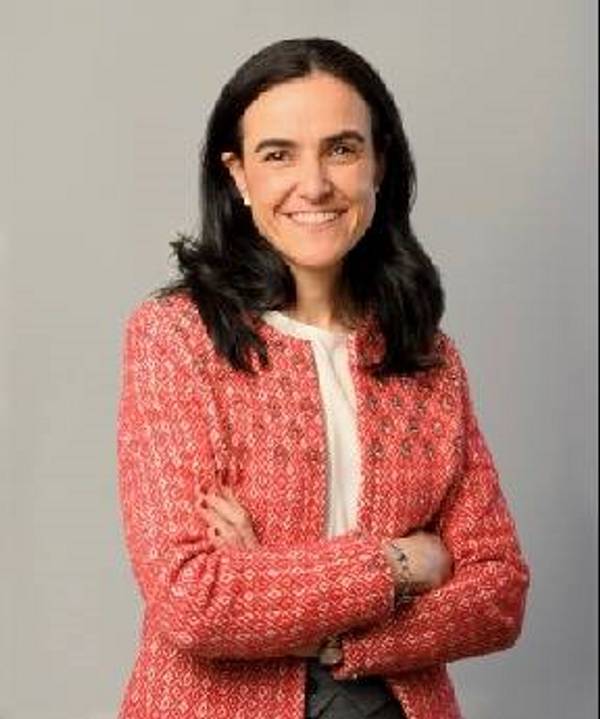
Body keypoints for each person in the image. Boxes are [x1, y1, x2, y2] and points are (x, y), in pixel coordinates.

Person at [116, 37, 530, 719]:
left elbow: (497, 593)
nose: (314, 184)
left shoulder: (427, 358)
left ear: (379, 164)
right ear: (239, 175)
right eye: (279, 154)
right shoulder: (177, 338)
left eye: (341, 149)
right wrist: (403, 565)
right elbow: (194, 597)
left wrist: (313, 622)